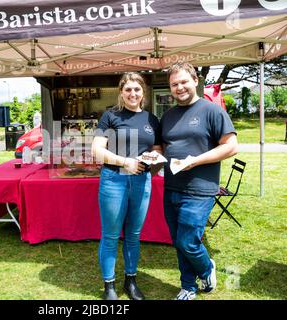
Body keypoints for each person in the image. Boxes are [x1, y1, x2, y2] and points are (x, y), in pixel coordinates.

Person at [160, 61, 238, 300]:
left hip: (199, 189)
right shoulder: (168, 115)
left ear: (195, 80)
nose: (180, 87)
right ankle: (188, 286)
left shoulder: (212, 110)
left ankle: (206, 268)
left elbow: (231, 146)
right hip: (171, 187)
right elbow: (165, 148)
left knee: (189, 241)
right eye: (174, 84)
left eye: (184, 81)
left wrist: (195, 160)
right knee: (178, 242)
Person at [92, 72, 162, 300]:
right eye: (128, 89)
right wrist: (125, 162)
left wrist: (153, 157)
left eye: (137, 89)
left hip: (142, 181)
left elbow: (158, 148)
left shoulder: (152, 120)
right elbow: (97, 151)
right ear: (122, 92)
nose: (133, 93)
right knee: (111, 235)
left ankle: (130, 282)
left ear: (144, 92)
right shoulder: (110, 116)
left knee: (133, 235)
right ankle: (109, 287)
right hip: (114, 180)